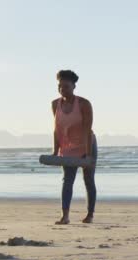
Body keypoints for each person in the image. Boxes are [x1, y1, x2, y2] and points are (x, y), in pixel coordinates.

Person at [51, 70, 97, 225]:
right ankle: (65, 216)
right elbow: (57, 129)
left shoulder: (84, 104)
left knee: (88, 179)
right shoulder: (55, 104)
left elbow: (87, 129)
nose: (62, 89)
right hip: (68, 147)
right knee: (67, 180)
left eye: (66, 86)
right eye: (60, 86)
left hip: (87, 144)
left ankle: (90, 215)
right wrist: (55, 151)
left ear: (74, 86)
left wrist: (88, 154)